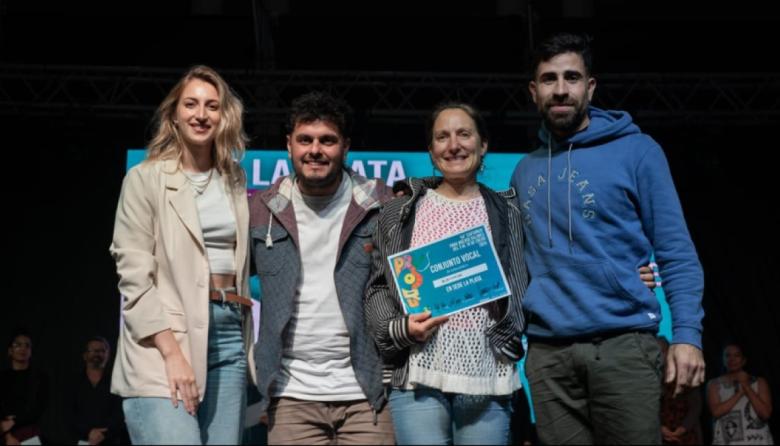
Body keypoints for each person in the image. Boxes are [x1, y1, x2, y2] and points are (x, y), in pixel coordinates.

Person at [511, 32, 706, 444]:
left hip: (623, 348)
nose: (560, 89)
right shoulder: (524, 170)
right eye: (548, 79)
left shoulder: (637, 151)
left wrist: (687, 335)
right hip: (548, 357)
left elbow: (675, 250)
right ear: (534, 91)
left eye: (571, 77)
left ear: (590, 86)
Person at [364, 102, 528, 445]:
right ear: (430, 150)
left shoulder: (508, 211)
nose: (453, 145)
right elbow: (377, 286)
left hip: (487, 373)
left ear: (483, 145)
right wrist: (401, 329)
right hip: (418, 372)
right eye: (442, 137)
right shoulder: (398, 211)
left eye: (464, 134)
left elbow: (533, 274)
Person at [109, 65, 255, 445]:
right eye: (190, 104)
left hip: (229, 332)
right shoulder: (144, 179)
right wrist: (172, 353)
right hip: (164, 339)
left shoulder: (235, 180)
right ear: (174, 113)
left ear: (224, 115)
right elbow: (135, 278)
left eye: (212, 105)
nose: (201, 114)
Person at [249, 91, 395, 445]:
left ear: (345, 146)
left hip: (368, 393)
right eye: (305, 140)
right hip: (290, 395)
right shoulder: (260, 210)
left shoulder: (383, 204)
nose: (315, 150)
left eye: (327, 140)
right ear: (289, 145)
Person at [708, 343, 773, 445]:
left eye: (737, 355)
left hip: (757, 440)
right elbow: (716, 412)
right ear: (723, 359)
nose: (732, 359)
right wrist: (740, 392)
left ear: (744, 360)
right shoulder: (714, 384)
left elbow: (765, 414)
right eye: (727, 355)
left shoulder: (760, 382)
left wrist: (747, 386)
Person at [64, 336, 125, 445]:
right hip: (81, 440)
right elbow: (68, 414)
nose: (98, 354)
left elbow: (120, 414)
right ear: (85, 355)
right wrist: (89, 432)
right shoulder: (73, 383)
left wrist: (103, 434)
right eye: (93, 350)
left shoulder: (117, 381)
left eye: (102, 351)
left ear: (107, 355)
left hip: (110, 441)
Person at [0, 332, 49, 446]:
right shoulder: (2, 377)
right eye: (18, 345)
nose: (23, 348)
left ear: (31, 351)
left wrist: (14, 421)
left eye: (27, 345)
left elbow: (38, 408)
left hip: (31, 434)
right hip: (5, 435)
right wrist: (8, 436)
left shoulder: (40, 378)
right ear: (10, 350)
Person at [658, 336, 703, 445]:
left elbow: (696, 406)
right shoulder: (649, 378)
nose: (660, 356)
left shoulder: (686, 374)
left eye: (663, 351)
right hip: (659, 434)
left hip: (687, 434)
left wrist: (682, 429)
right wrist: (660, 428)